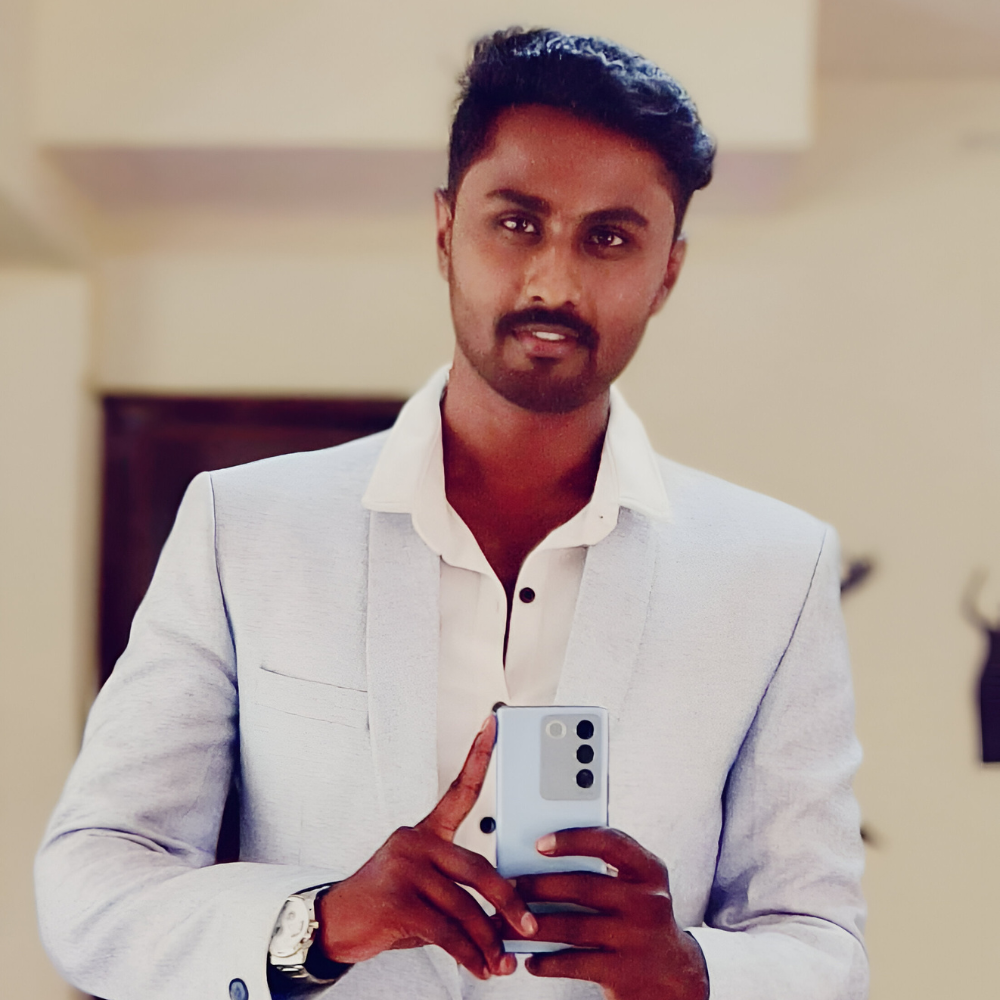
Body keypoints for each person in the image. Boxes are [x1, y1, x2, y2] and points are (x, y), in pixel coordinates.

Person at [36, 27, 867, 1000]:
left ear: (668, 272)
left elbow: (823, 944)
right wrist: (321, 920)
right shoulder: (245, 528)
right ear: (444, 230)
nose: (553, 281)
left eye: (609, 237)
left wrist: (695, 972)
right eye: (517, 222)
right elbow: (91, 884)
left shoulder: (774, 569)